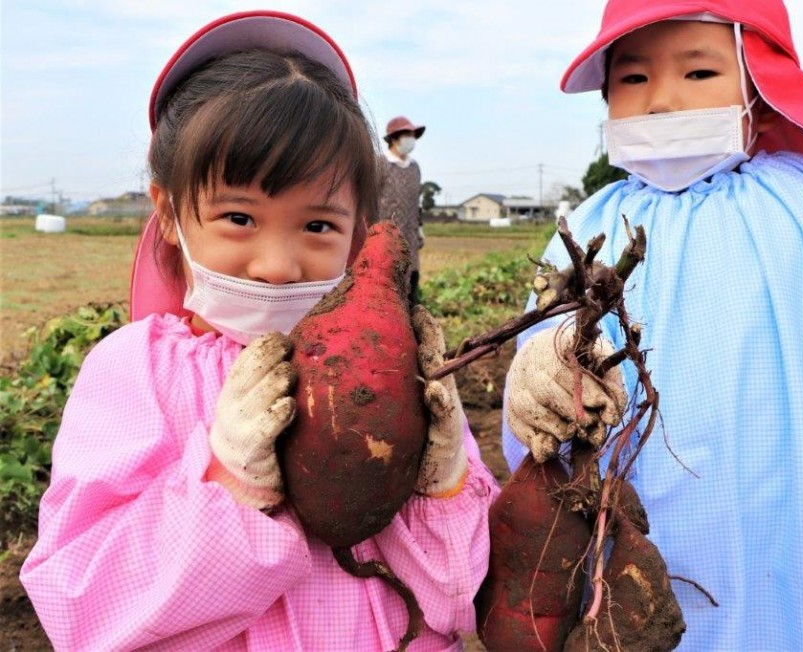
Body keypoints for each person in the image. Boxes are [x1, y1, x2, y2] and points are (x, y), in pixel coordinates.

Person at [501, 1, 803, 649]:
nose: (662, 103)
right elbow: (543, 405)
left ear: (757, 84)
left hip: (796, 552)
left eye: (699, 74)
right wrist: (533, 386)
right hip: (630, 556)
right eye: (634, 79)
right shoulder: (585, 229)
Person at [19, 11, 497, 650]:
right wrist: (229, 485)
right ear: (168, 214)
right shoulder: (133, 372)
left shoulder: (402, 370)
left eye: (318, 226)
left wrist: (444, 483)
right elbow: (83, 611)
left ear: (359, 228)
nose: (276, 265)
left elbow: (461, 598)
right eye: (239, 217)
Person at [376, 115, 427, 304]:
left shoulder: (414, 167)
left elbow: (417, 202)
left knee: (411, 290)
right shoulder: (380, 165)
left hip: (411, 237)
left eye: (413, 134)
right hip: (386, 238)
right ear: (395, 138)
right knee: (387, 289)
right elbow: (368, 201)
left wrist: (420, 229)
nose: (411, 139)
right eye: (407, 134)